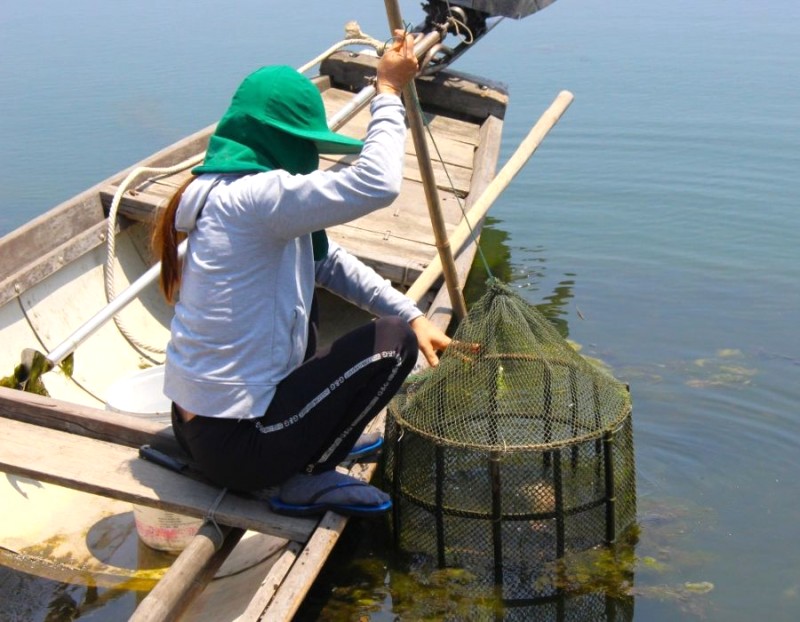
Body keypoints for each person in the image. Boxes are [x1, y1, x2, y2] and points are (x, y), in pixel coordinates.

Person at [151, 31, 451, 517]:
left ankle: (303, 438)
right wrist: (388, 92)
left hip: (195, 430)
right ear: (277, 141)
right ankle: (307, 474)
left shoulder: (217, 191)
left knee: (367, 317)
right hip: (240, 451)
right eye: (304, 145)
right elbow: (377, 182)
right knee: (393, 345)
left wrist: (413, 312)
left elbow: (327, 262)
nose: (311, 158)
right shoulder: (255, 198)